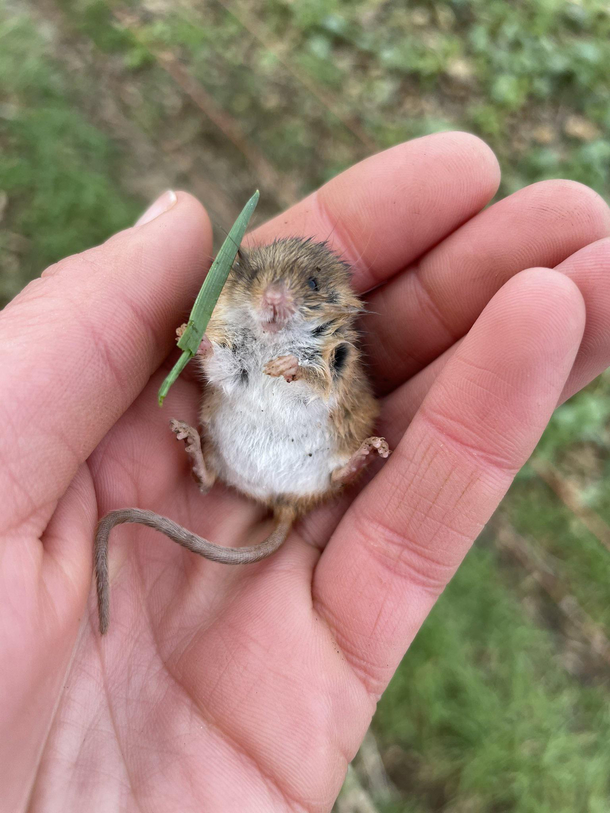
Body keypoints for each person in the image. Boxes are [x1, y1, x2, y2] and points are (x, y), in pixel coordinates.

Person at [1, 132, 609, 812]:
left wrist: (299, 378)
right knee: (217, 405)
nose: (278, 297)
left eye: (307, 286)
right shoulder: (246, 326)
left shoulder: (333, 357)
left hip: (302, 475)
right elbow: (228, 376)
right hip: (236, 459)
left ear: (337, 308)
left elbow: (324, 392)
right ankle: (207, 466)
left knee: (348, 424)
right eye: (267, 278)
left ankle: (340, 467)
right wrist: (206, 346)